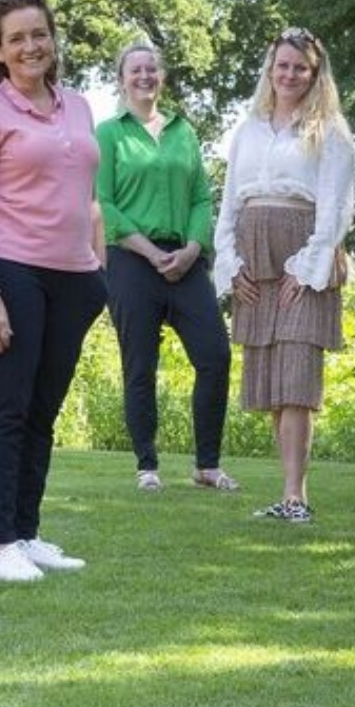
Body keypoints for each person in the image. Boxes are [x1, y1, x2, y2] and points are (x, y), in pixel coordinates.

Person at [0, 0, 108, 582]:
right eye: (16, 37)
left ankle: (26, 530)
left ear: (53, 39)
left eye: (38, 34)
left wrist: (97, 270)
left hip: (72, 278)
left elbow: (89, 199)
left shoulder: (78, 106)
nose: (29, 46)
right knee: (8, 406)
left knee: (43, 411)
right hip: (10, 271)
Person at [212, 27, 355, 524]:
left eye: (300, 67)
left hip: (303, 260)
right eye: (282, 66)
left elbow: (336, 207)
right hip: (255, 260)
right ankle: (286, 490)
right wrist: (230, 264)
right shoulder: (249, 128)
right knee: (272, 382)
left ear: (315, 74)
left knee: (297, 377)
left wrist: (310, 265)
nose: (290, 74)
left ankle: (297, 496)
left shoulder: (329, 130)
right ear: (270, 71)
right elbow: (230, 200)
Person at [95, 43, 234, 493]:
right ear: (122, 78)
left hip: (186, 259)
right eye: (135, 70)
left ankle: (207, 466)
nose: (145, 76)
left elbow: (200, 198)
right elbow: (104, 205)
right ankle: (147, 465)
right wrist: (151, 255)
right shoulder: (109, 134)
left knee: (215, 355)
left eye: (152, 68)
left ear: (162, 76)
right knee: (140, 365)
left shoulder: (183, 132)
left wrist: (193, 249)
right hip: (132, 260)